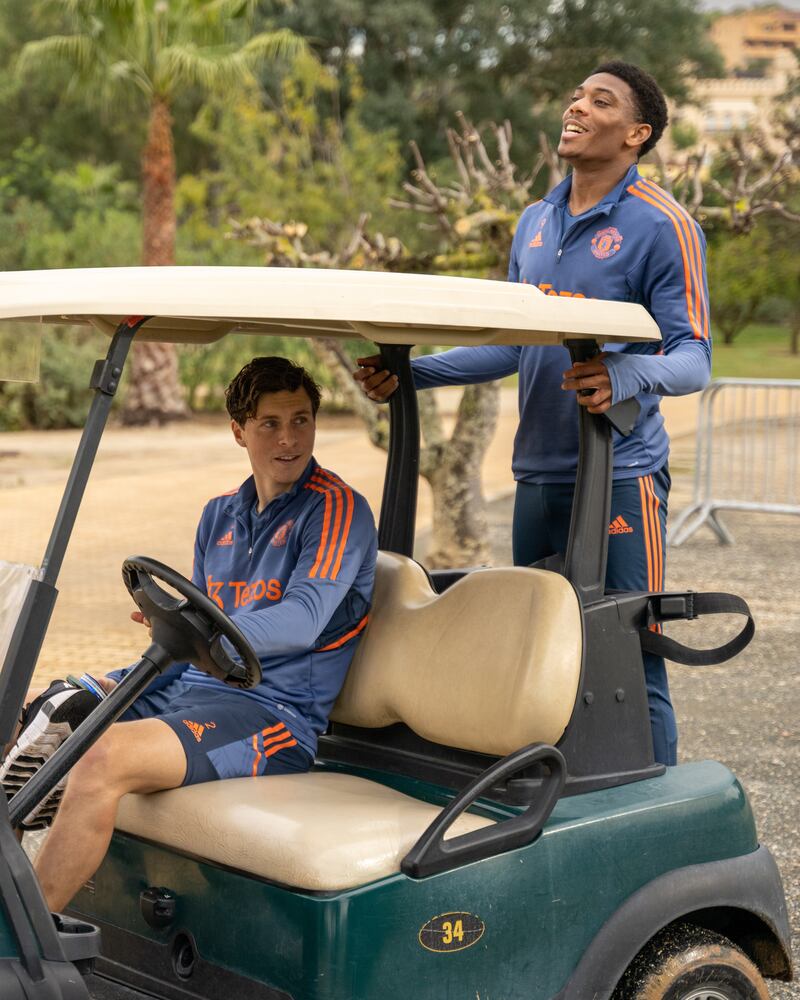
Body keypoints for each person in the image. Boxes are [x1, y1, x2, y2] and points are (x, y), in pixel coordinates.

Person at [353, 61, 711, 768]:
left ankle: (658, 810)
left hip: (619, 477)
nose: (577, 106)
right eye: (577, 96)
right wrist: (411, 375)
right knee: (543, 654)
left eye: (600, 101)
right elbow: (515, 349)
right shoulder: (536, 222)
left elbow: (694, 357)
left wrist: (623, 371)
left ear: (637, 134)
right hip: (538, 477)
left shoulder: (664, 226)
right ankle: (565, 798)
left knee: (632, 652)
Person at [14, 356, 378, 911]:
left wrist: (202, 625)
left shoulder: (335, 509)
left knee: (101, 758)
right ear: (239, 431)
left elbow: (304, 619)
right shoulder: (219, 516)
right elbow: (189, 652)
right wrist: (113, 682)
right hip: (191, 694)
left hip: (272, 715)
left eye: (301, 420)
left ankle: (21, 951)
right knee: (46, 707)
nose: (290, 439)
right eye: (270, 424)